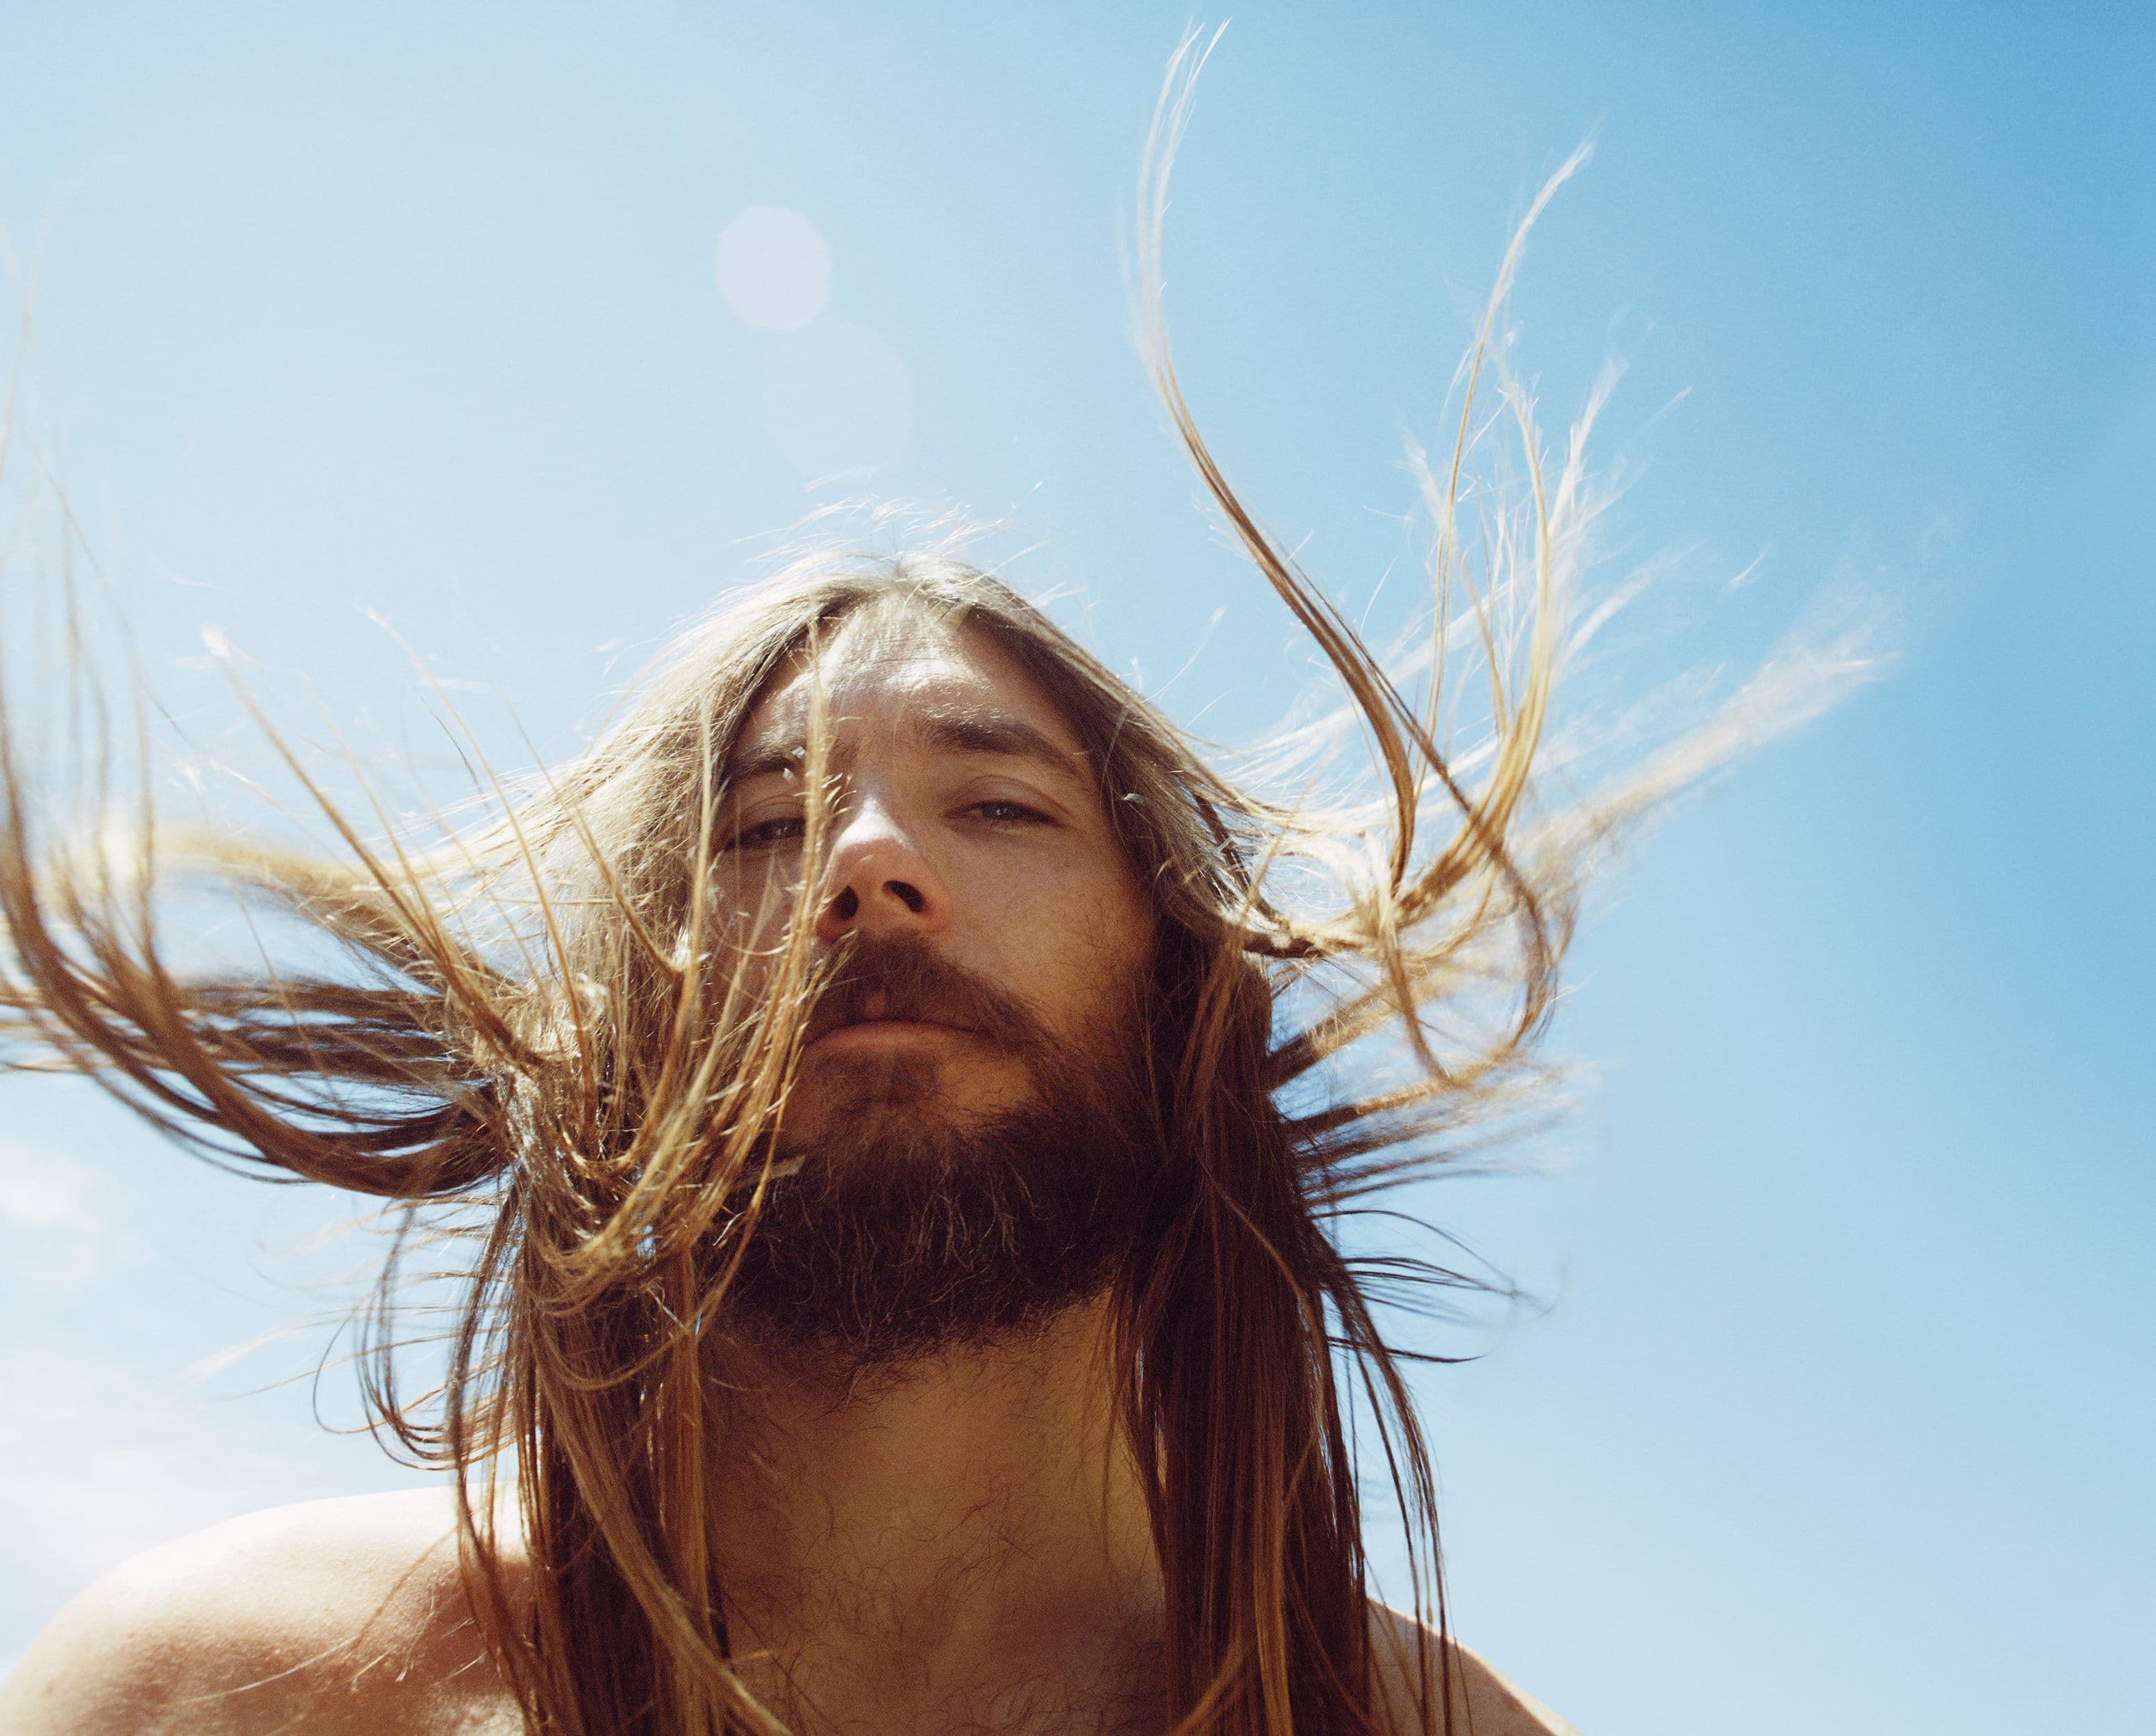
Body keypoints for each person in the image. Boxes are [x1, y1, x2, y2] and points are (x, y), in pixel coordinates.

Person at [0, 44, 1794, 1736]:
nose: (868, 859)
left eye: (1001, 803)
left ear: (1184, 979)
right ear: (640, 1008)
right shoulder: (226, 1687)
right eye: (765, 826)